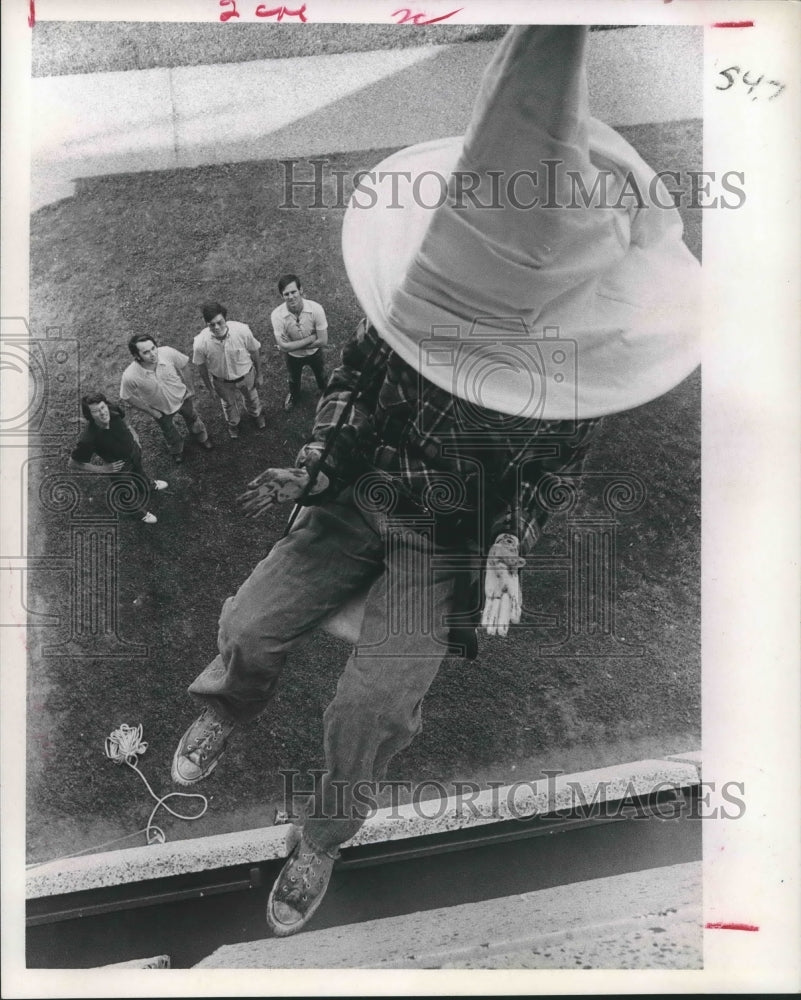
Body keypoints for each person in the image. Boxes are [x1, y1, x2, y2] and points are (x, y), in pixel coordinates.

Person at [170, 26, 700, 936]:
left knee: (373, 704)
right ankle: (228, 705)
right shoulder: (430, 284)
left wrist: (505, 550)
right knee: (248, 622)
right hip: (359, 497)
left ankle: (323, 837)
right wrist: (318, 464)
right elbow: (352, 385)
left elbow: (551, 473)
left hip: (450, 538)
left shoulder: (581, 368)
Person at [68, 392, 167, 524]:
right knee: (125, 492)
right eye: (96, 411)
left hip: (134, 452)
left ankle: (147, 486)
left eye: (103, 407)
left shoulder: (112, 408)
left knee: (140, 472)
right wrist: (103, 469)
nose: (103, 413)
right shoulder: (88, 438)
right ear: (90, 415)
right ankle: (138, 512)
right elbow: (73, 463)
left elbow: (124, 418)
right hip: (119, 468)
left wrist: (133, 433)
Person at [120, 334, 212, 464]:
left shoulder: (167, 352)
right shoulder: (130, 375)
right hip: (160, 410)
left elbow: (184, 365)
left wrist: (190, 389)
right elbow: (126, 396)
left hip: (182, 398)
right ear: (136, 356)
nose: (153, 354)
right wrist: (151, 411)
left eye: (153, 348)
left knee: (192, 418)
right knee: (169, 431)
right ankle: (177, 449)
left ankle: (202, 437)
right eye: (146, 352)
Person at [193, 302, 266, 439]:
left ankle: (256, 415)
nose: (216, 327)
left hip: (246, 375)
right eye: (211, 324)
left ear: (225, 319)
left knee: (252, 397)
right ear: (206, 323)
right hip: (221, 382)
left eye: (220, 322)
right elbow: (201, 367)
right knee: (228, 405)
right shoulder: (200, 342)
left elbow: (254, 351)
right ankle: (233, 424)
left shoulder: (242, 330)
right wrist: (210, 388)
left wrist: (259, 374)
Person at [270, 274, 328, 411]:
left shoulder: (316, 309)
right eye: (286, 294)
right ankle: (294, 396)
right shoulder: (277, 315)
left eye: (293, 292)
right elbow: (284, 347)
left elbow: (323, 341)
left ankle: (326, 393)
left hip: (314, 353)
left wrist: (292, 346)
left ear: (301, 290)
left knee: (321, 374)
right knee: (293, 379)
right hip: (293, 357)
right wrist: (311, 338)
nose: (290, 297)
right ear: (282, 296)